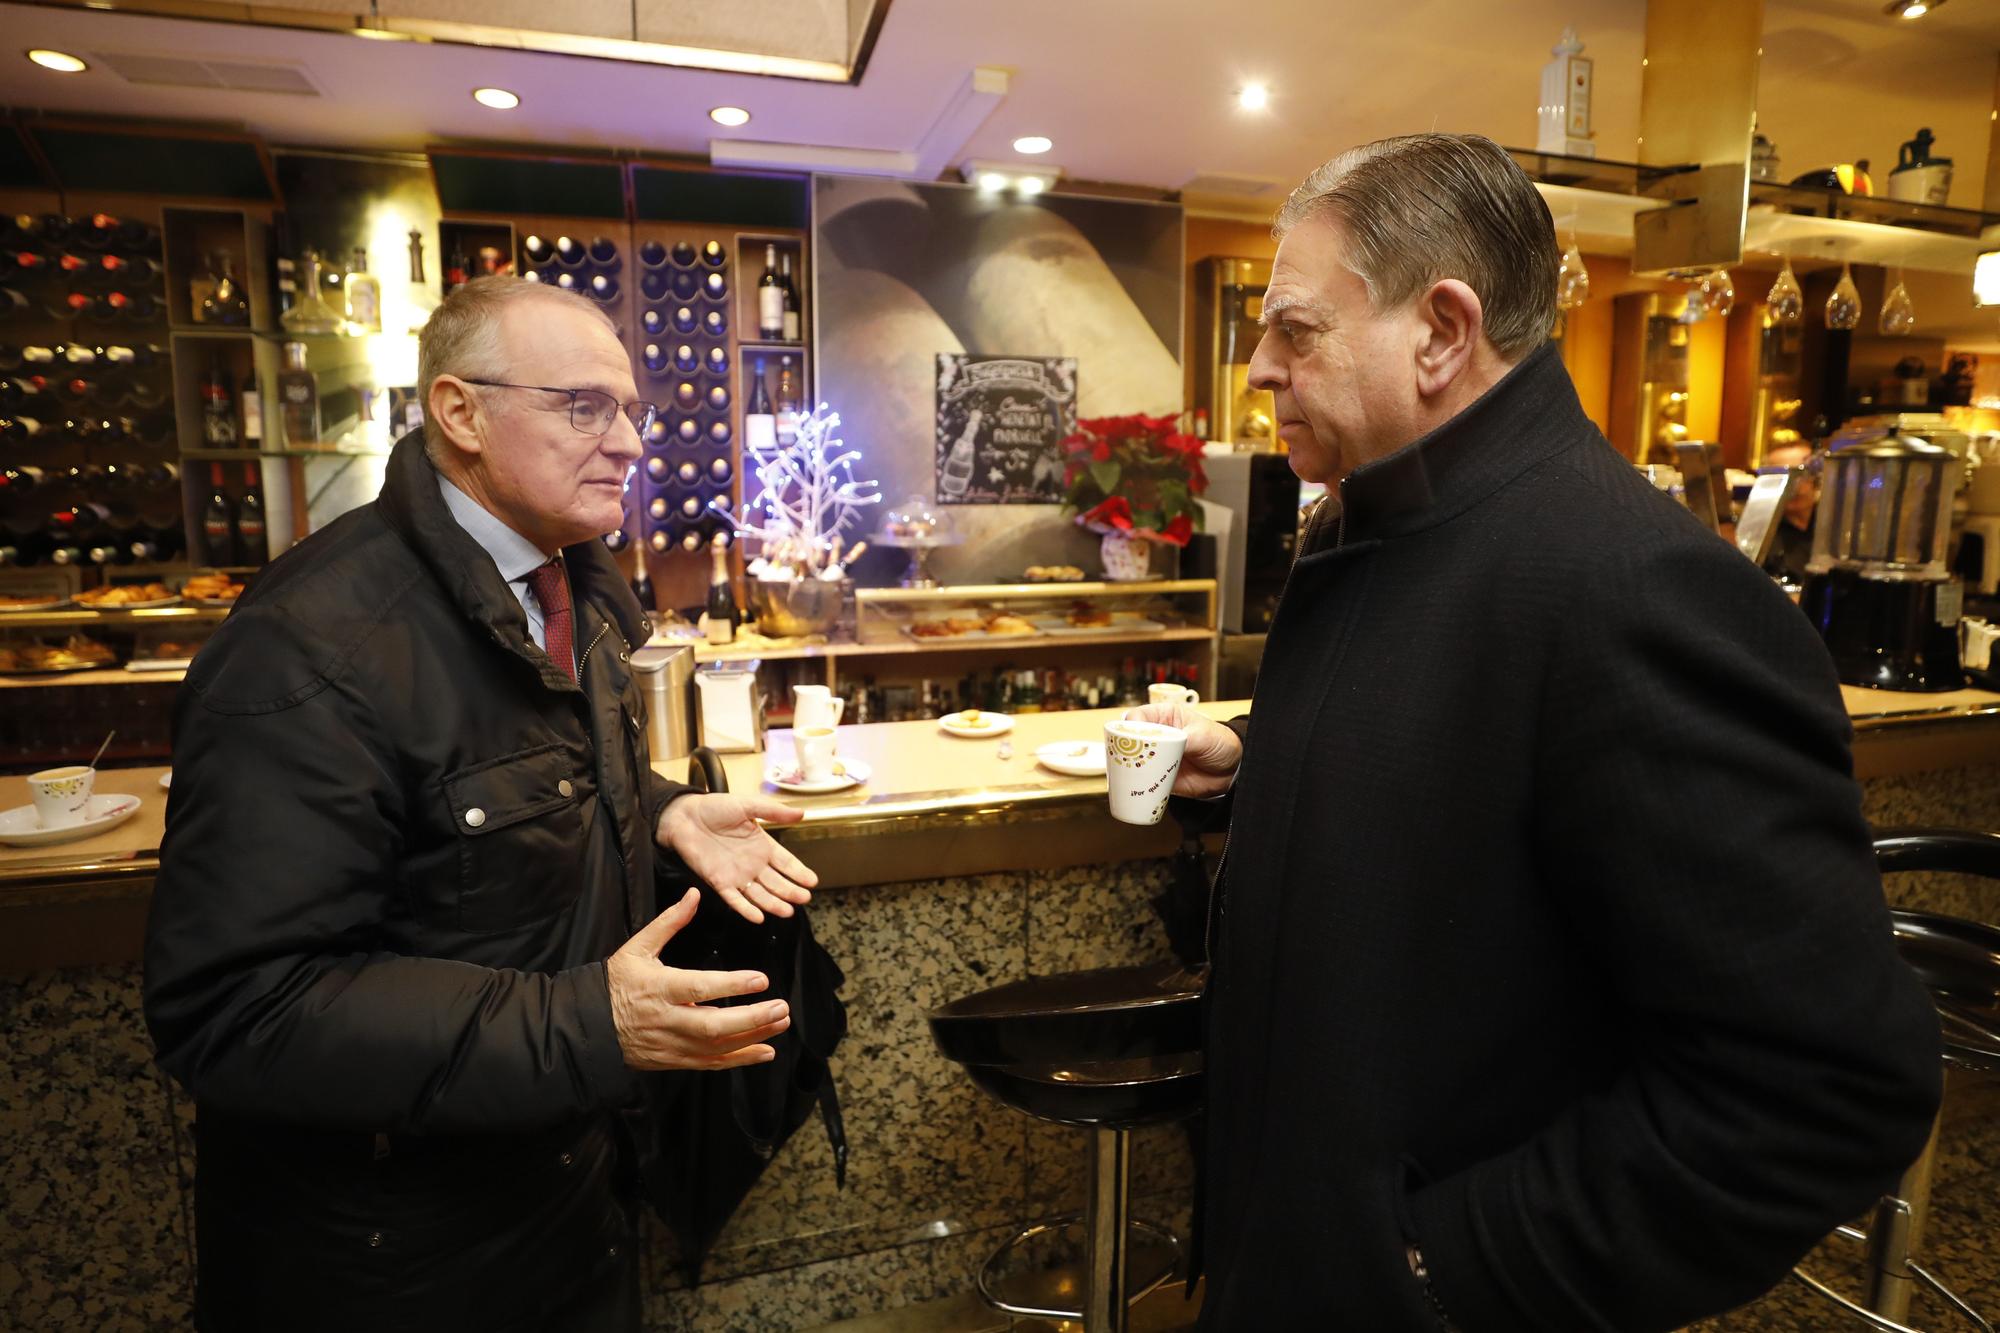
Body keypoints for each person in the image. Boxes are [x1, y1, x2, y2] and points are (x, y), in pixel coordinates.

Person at [1132, 134, 1941, 1330]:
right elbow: (1448, 749)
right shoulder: (1374, 525)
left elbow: (1823, 1089)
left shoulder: (1631, 585)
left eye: (1292, 329)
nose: (1257, 368)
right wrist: (1257, 758)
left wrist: (1440, 1266)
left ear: (1442, 332)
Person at [145, 276, 821, 1333]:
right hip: (394, 1261)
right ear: (459, 413)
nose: (631, 444)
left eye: (634, 411)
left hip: (564, 1201)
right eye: (583, 406)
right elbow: (236, 1008)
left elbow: (502, 769)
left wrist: (659, 809)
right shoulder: (312, 644)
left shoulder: (578, 588)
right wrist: (585, 1021)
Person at [1759, 440, 1820, 584]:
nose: (1795, 485)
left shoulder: (1833, 528)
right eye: (1784, 476)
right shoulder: (1759, 535)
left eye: (1801, 474)